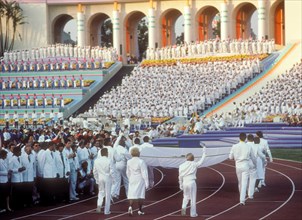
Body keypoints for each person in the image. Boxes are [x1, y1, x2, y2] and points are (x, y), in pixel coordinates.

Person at [178, 147, 206, 217]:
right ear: (193, 158)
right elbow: (201, 161)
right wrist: (204, 153)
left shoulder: (181, 166)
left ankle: (183, 209)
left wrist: (180, 184)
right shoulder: (194, 164)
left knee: (185, 197)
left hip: (185, 182)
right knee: (193, 198)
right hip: (191, 182)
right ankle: (193, 214)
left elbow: (180, 176)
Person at [229, 133, 252, 205]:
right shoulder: (248, 146)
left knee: (240, 182)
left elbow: (230, 157)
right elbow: (253, 157)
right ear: (245, 138)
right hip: (245, 165)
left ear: (239, 138)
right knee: (244, 182)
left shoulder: (234, 146)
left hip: (238, 165)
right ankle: (242, 199)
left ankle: (242, 197)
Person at [126, 147, 149, 216]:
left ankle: (130, 207)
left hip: (132, 178)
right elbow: (144, 172)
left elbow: (127, 172)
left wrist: (130, 178)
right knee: (140, 195)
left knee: (131, 194)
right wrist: (147, 183)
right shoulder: (141, 161)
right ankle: (140, 210)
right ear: (138, 153)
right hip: (140, 179)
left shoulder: (129, 161)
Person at [93, 148, 114, 215]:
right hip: (107, 177)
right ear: (106, 153)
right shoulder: (109, 160)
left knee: (101, 192)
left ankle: (99, 205)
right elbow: (112, 171)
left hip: (100, 177)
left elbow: (94, 171)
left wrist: (96, 179)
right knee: (108, 194)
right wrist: (114, 179)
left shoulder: (96, 161)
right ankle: (106, 211)